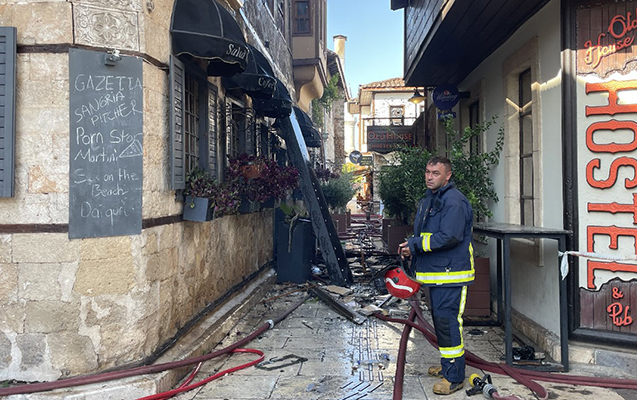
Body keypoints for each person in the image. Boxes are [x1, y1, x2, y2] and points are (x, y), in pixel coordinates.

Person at [398, 155, 475, 396]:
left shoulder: (454, 201)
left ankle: (454, 377)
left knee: (448, 324)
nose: (429, 177)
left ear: (447, 176)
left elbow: (449, 236)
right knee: (442, 324)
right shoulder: (432, 198)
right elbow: (429, 234)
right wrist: (412, 248)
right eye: (427, 172)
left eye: (435, 173)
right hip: (438, 273)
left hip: (451, 275)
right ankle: (448, 366)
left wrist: (415, 245)